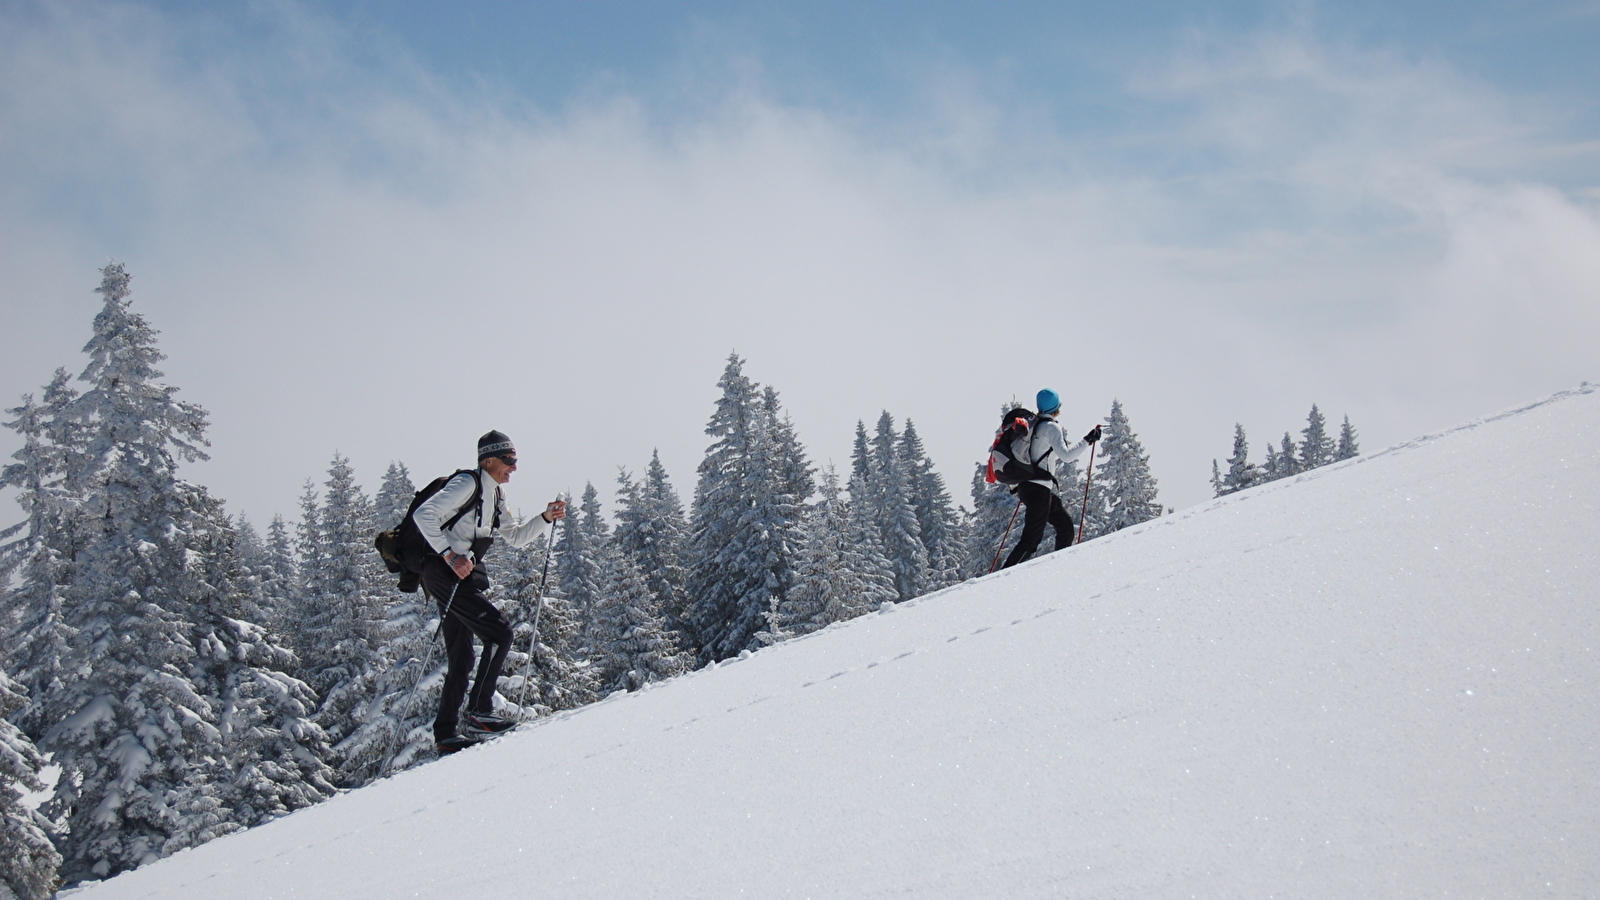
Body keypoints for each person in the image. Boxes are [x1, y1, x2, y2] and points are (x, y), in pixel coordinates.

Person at [414, 430, 567, 753]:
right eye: (508, 460)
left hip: (458, 574)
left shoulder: (495, 495)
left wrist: (545, 517)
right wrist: (450, 555)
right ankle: (480, 712)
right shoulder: (467, 484)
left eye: (515, 460)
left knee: (462, 656)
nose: (514, 467)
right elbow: (423, 515)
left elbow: (515, 537)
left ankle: (446, 735)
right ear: (487, 461)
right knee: (499, 633)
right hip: (444, 570)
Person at [1002, 389, 1101, 569]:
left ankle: (1060, 568)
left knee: (1065, 527)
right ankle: (1001, 577)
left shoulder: (1032, 425)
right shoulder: (1051, 427)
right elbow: (1066, 456)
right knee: (1031, 540)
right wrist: (1088, 440)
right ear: (1056, 407)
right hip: (1038, 489)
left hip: (1027, 486)